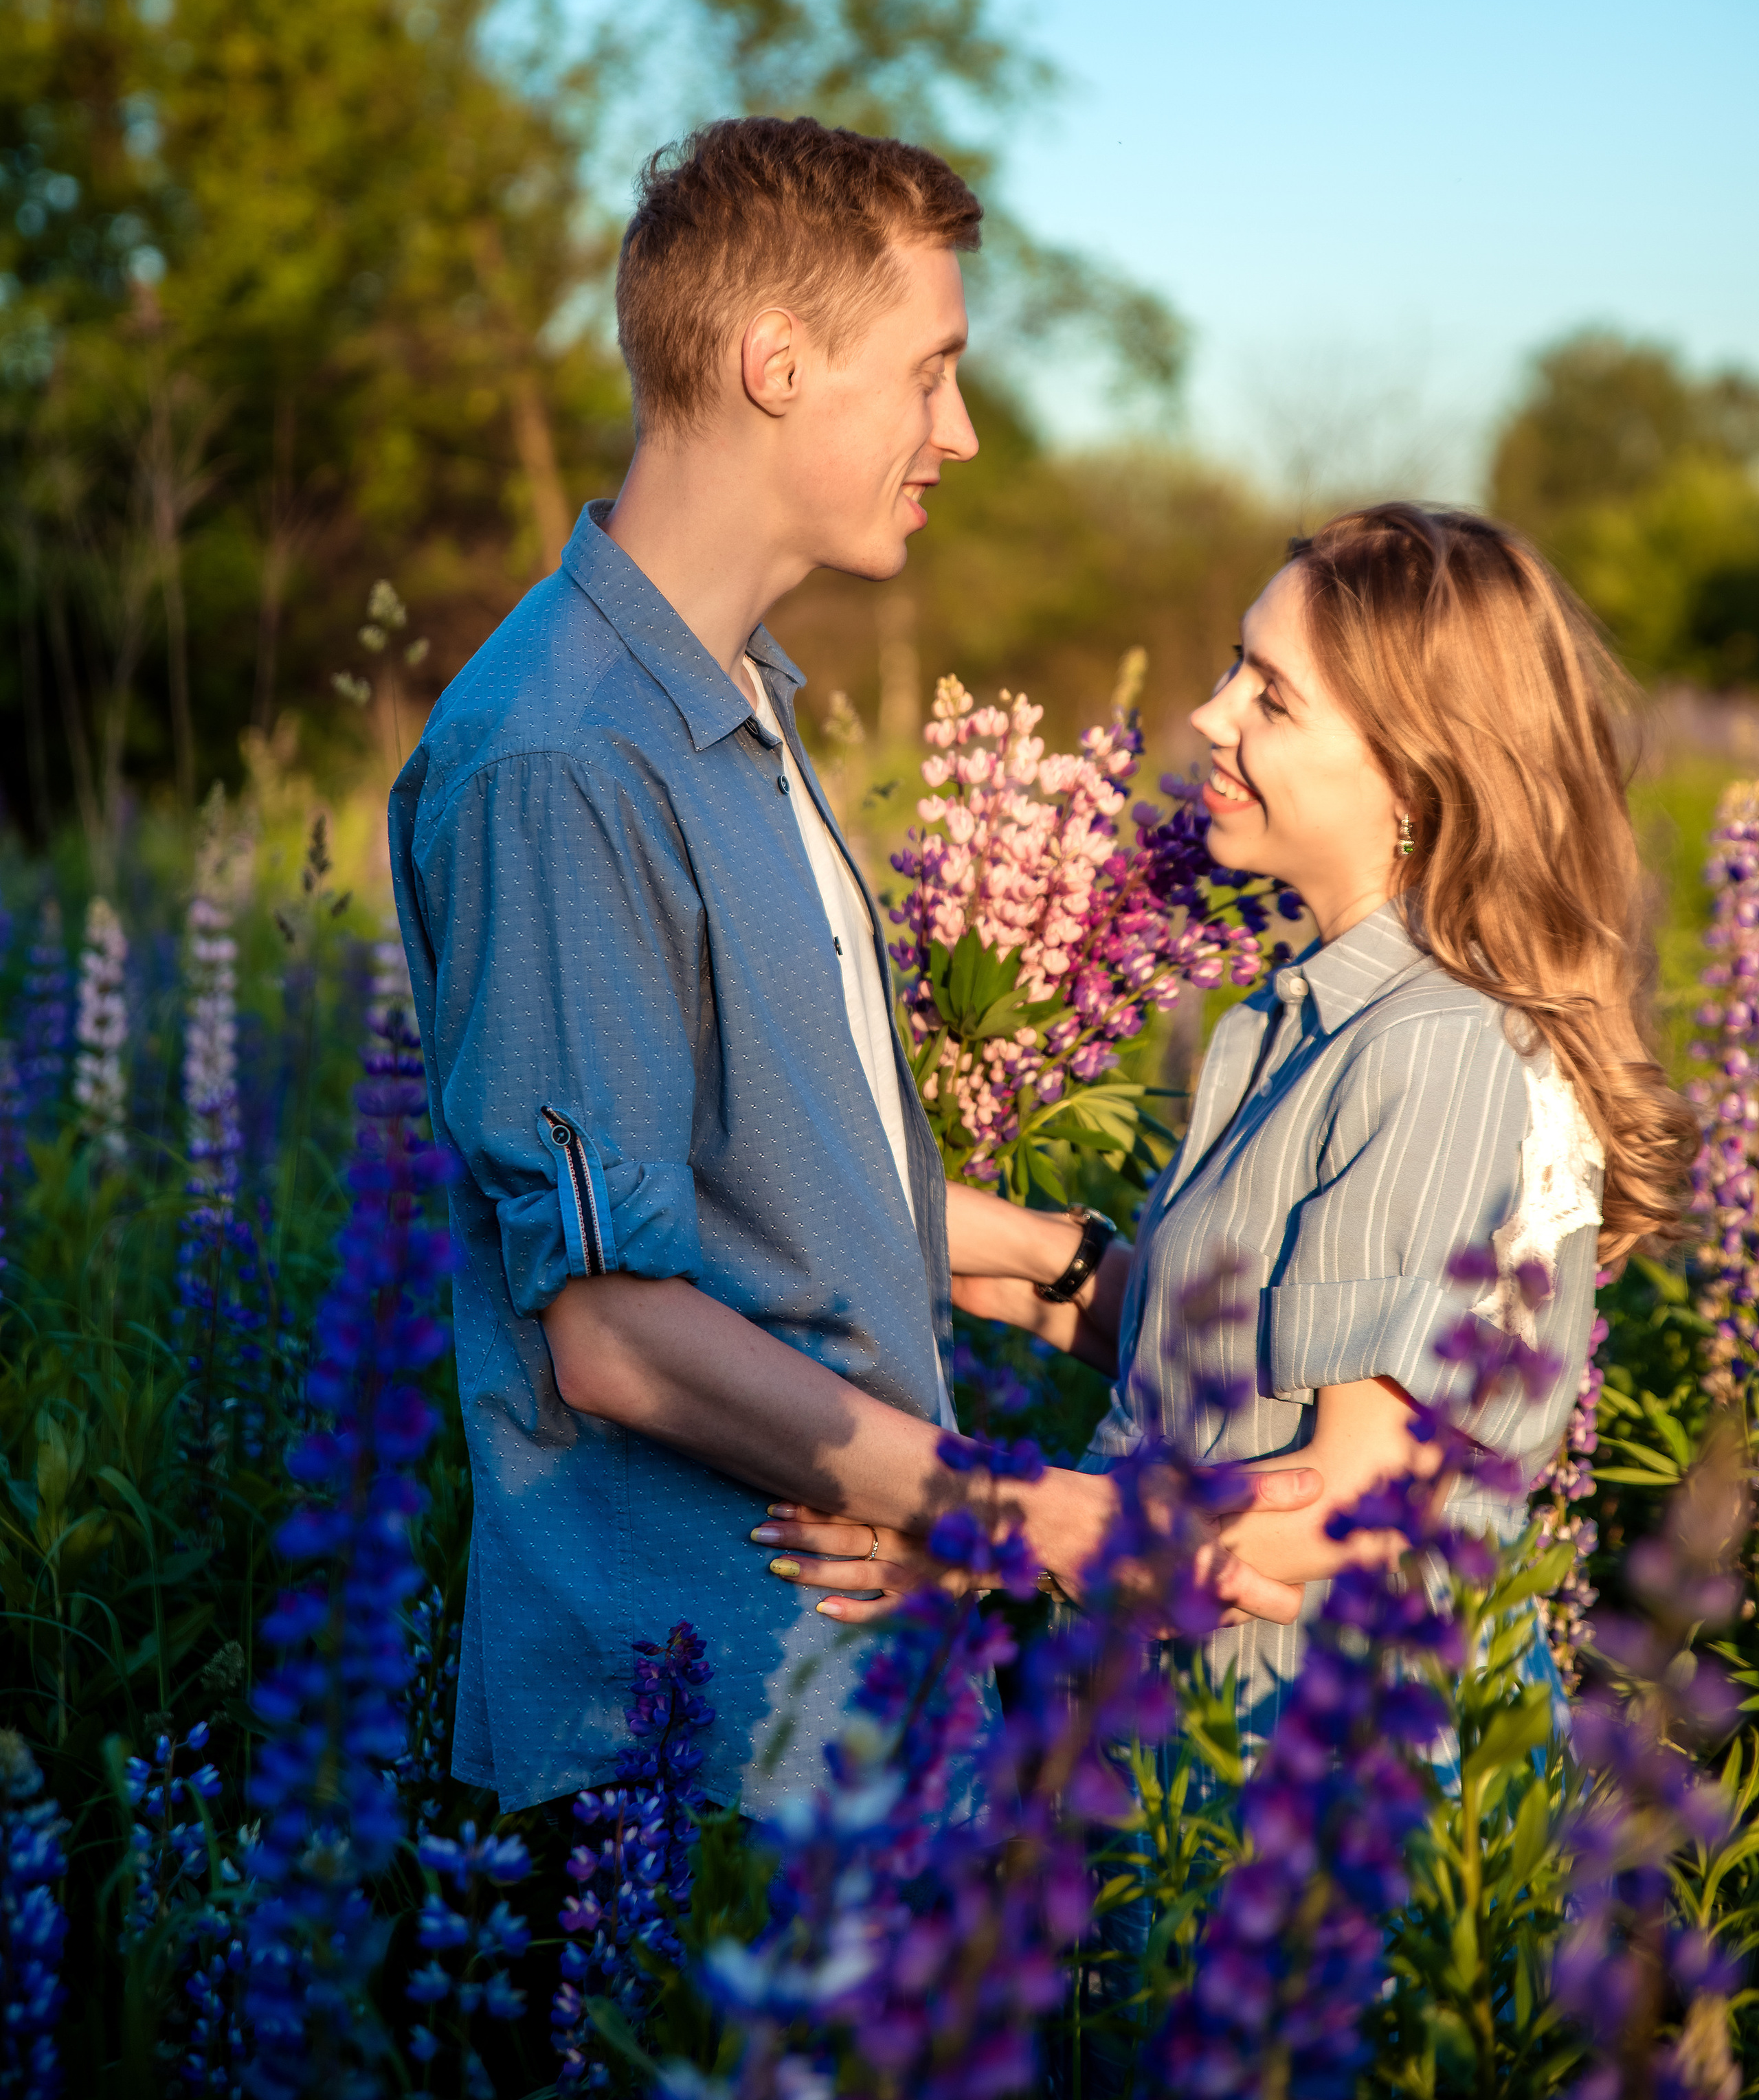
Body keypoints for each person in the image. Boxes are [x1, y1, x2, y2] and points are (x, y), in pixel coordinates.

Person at [388, 114, 1312, 1817]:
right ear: (773, 362)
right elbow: (612, 1328)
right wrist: (1020, 1512)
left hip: (845, 1712)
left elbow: (751, 1177)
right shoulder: (564, 757)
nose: (955, 434)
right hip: (676, 1760)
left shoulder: (731, 706)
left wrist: (1054, 1262)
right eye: (930, 373)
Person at [768, 503, 1695, 1759]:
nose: (1211, 716)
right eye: (1233, 668)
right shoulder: (1308, 1016)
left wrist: (978, 1535)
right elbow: (1244, 1373)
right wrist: (1040, 1259)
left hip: (1313, 1777)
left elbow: (1353, 1500)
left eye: (1272, 694)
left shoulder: (1439, 1046)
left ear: (1413, 772)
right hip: (1194, 1726)